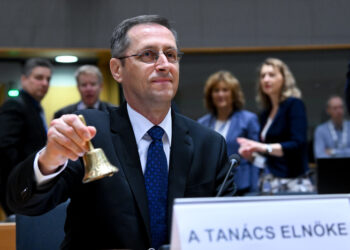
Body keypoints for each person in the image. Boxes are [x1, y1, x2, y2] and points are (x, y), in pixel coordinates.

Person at [7, 15, 235, 250]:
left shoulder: (209, 144)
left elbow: (227, 231)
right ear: (117, 70)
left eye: (171, 54)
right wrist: (48, 161)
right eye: (148, 54)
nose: (164, 64)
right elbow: (26, 204)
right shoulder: (88, 134)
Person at [237, 58, 310, 192]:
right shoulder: (266, 113)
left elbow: (297, 144)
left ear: (284, 78)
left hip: (293, 182)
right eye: (262, 76)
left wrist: (261, 147)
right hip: (271, 183)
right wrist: (251, 157)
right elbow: (269, 160)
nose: (266, 79)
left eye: (271, 75)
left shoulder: (294, 105)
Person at [0, 58, 52, 216]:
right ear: (24, 80)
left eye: (48, 79)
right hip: (19, 190)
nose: (44, 83)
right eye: (38, 77)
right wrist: (21, 184)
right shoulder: (15, 105)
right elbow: (4, 148)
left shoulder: (35, 107)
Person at [198, 70, 260, 195]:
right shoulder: (202, 123)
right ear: (211, 95)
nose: (220, 94)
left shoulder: (248, 120)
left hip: (243, 187)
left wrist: (255, 190)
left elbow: (256, 158)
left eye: (225, 90)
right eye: (216, 90)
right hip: (212, 188)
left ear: (234, 94)